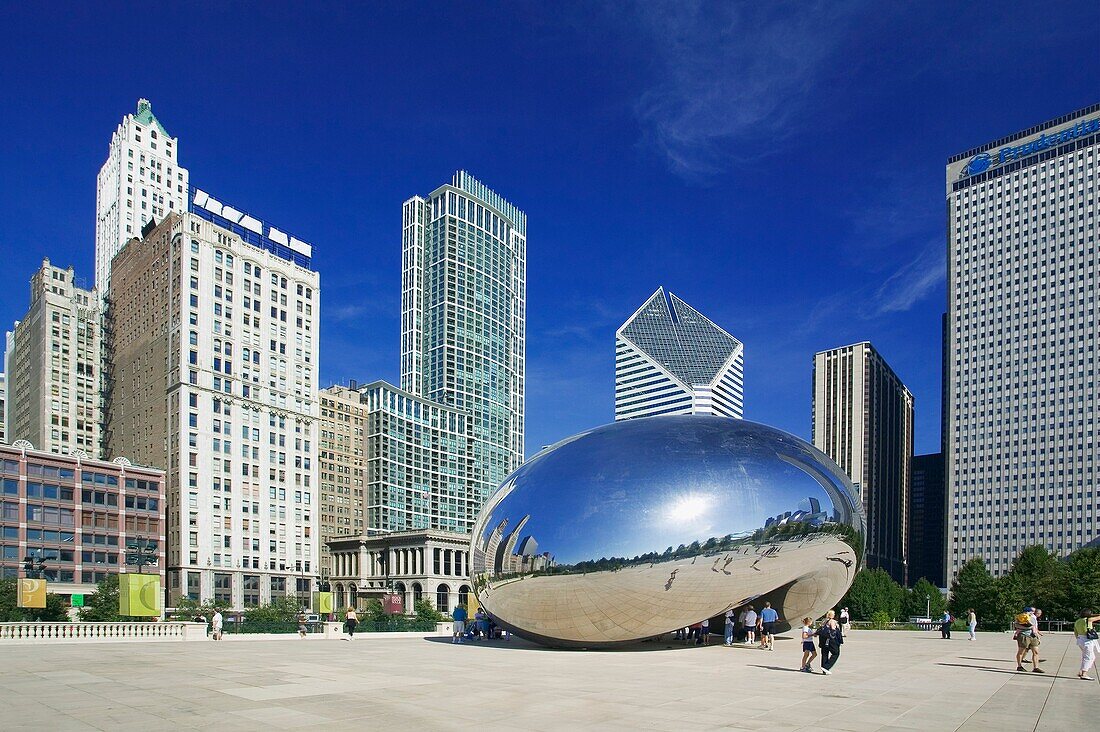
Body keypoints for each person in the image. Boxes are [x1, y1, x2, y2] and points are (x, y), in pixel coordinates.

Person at [1013, 606, 1043, 673]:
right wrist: (1028, 626)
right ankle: (1019, 666)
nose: (1033, 613)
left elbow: (1035, 627)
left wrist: (1037, 636)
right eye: (1031, 611)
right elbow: (1017, 626)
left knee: (1036, 652)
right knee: (1021, 651)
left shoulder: (1033, 618)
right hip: (1024, 635)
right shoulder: (1020, 617)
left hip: (1033, 636)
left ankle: (1036, 667)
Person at [1074, 609, 1100, 681]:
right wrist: (1093, 615)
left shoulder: (1077, 621)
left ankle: (1081, 671)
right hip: (1087, 641)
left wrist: (1079, 639)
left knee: (1085, 656)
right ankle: (1084, 673)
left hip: (1080, 639)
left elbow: (1075, 632)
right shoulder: (1088, 620)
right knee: (1090, 657)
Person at [817, 610, 843, 674]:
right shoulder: (832, 621)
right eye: (833, 614)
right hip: (831, 640)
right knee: (836, 653)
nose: (834, 615)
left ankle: (824, 669)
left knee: (824, 654)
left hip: (823, 640)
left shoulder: (824, 621)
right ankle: (826, 667)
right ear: (831, 615)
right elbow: (833, 630)